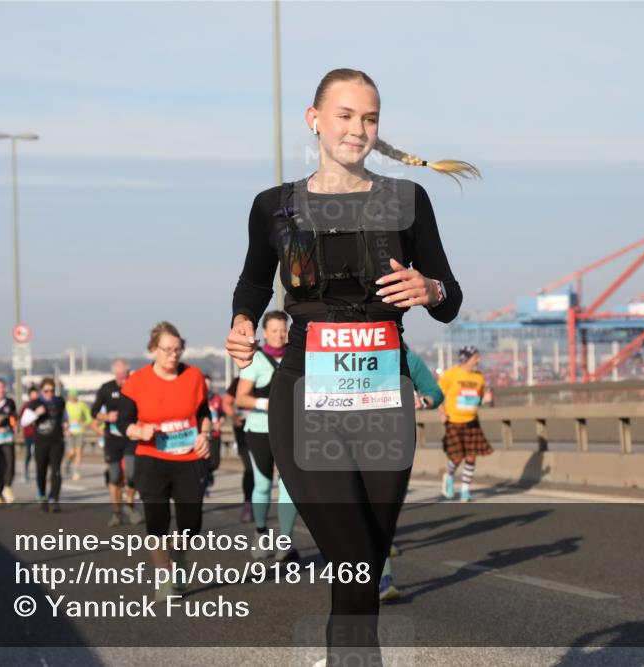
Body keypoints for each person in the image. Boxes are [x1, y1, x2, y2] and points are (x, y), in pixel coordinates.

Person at [226, 68, 472, 665]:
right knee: (354, 555)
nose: (357, 129)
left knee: (361, 568)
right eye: (345, 115)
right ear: (315, 120)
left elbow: (450, 298)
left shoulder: (407, 200)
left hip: (382, 403)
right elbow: (256, 280)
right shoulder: (275, 206)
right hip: (305, 399)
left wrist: (429, 288)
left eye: (369, 118)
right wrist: (242, 323)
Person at [116, 322, 212, 601]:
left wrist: (205, 434)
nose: (173, 354)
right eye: (167, 349)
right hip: (152, 459)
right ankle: (164, 576)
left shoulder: (193, 376)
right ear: (153, 350)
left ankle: (179, 558)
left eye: (178, 349)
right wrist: (138, 431)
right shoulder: (138, 382)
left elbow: (203, 412)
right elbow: (123, 422)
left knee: (191, 524)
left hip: (189, 459)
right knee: (157, 523)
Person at [378, 347, 445, 602]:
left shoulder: (407, 357)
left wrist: (424, 400)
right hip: (345, 440)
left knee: (378, 511)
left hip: (392, 441)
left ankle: (383, 579)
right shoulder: (341, 350)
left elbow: (435, 393)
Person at [234, 310, 299, 562]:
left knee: (289, 486)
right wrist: (267, 404)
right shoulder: (256, 360)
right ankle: (261, 534)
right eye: (274, 330)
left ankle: (285, 541)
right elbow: (241, 398)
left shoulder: (297, 358)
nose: (280, 334)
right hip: (260, 431)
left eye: (283, 329)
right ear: (264, 333)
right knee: (262, 485)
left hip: (291, 430)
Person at [438, 345, 493, 502]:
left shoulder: (479, 377)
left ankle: (465, 490)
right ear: (466, 359)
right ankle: (449, 476)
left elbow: (479, 398)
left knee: (471, 456)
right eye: (476, 357)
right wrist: (442, 412)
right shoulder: (450, 375)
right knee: (456, 457)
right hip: (453, 420)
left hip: (472, 420)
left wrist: (486, 400)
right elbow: (437, 394)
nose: (478, 360)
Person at [92, 360, 142, 526]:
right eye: (120, 376)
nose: (124, 378)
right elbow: (94, 411)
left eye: (126, 375)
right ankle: (117, 512)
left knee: (131, 473)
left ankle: (130, 505)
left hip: (131, 438)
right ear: (115, 375)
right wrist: (107, 417)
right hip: (112, 439)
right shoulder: (106, 388)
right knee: (114, 477)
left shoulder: (136, 386)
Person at [20, 377, 67, 512]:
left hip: (57, 441)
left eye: (51, 391)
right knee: (41, 471)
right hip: (40, 442)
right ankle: (43, 497)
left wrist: (66, 423)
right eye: (46, 391)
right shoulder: (35, 403)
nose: (49, 393)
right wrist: (36, 413)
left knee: (56, 471)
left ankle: (54, 498)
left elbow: (64, 415)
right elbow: (24, 421)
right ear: (42, 391)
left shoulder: (59, 402)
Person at [222, 377, 254, 522]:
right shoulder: (239, 381)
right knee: (250, 468)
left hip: (265, 428)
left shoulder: (271, 376)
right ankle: (248, 503)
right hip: (243, 428)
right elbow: (227, 403)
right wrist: (234, 418)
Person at [63, 388, 92, 481]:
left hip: (79, 431)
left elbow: (89, 418)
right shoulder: (65, 405)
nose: (72, 397)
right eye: (70, 396)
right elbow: (62, 419)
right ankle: (66, 463)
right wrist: (65, 428)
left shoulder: (82, 405)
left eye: (73, 395)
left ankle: (76, 472)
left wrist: (84, 424)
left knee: (79, 452)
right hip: (69, 431)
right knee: (72, 452)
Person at [203, 376, 224, 497]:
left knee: (215, 462)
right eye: (205, 384)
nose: (207, 386)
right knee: (203, 461)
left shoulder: (216, 398)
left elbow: (222, 414)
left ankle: (210, 474)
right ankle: (204, 485)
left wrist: (219, 422)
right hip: (204, 434)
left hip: (215, 433)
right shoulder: (199, 398)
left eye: (209, 384)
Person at [18, 386, 39, 483]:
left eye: (36, 393)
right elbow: (21, 418)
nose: (35, 395)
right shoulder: (26, 405)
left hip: (39, 433)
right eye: (33, 393)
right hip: (29, 433)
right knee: (29, 453)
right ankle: (26, 471)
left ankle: (39, 472)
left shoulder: (40, 404)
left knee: (38, 453)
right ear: (30, 395)